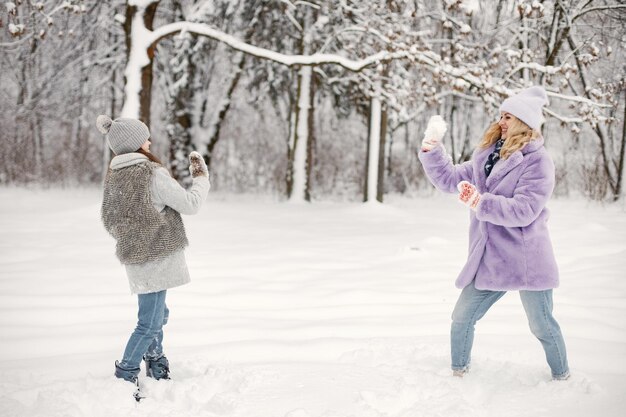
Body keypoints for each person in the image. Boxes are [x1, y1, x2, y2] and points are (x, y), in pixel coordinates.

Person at [417, 86, 570, 380]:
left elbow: (525, 209)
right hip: (491, 258)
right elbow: (451, 180)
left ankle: (563, 377)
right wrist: (432, 148)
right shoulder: (488, 154)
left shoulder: (538, 162)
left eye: (509, 116)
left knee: (542, 325)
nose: (502, 121)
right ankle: (458, 374)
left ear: (525, 122)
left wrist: (480, 202)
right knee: (461, 318)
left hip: (527, 259)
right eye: (501, 114)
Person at [96, 114, 210, 388]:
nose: (149, 141)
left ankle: (157, 362)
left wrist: (135, 235)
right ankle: (126, 374)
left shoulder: (114, 178)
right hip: (157, 258)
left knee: (159, 314)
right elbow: (191, 204)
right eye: (145, 137)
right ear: (136, 143)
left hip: (136, 260)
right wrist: (201, 178)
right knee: (148, 323)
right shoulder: (152, 174)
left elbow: (109, 221)